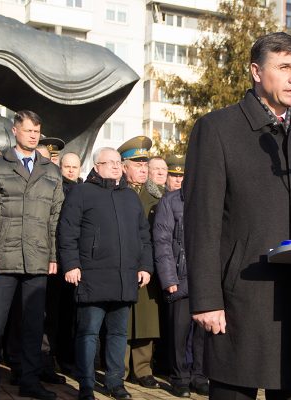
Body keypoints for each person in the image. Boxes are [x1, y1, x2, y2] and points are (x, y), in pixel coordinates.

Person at [184, 32, 291, 399]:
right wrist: (207, 299)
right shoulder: (218, 129)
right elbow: (201, 222)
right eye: (284, 67)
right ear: (256, 72)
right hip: (241, 299)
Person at [0, 110, 64, 400]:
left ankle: (29, 381)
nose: (34, 135)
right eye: (28, 131)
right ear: (15, 131)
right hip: (2, 259)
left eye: (37, 131)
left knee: (34, 327)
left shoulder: (51, 171)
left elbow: (55, 217)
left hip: (37, 259)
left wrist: (52, 255)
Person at [57, 147, 153, 400]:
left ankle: (115, 383)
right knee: (88, 332)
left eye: (117, 162)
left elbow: (144, 236)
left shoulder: (130, 197)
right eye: (107, 162)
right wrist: (71, 265)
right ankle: (86, 384)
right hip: (92, 276)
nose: (114, 166)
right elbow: (67, 231)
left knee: (118, 333)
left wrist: (145, 266)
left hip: (125, 277)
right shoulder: (81, 193)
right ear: (96, 166)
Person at [153, 155, 208, 398]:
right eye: (177, 175)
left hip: (204, 278)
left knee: (202, 333)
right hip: (180, 276)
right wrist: (169, 279)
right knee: (178, 333)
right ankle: (179, 378)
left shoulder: (208, 201)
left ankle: (199, 375)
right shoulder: (169, 201)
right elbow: (162, 242)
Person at [117, 137, 161, 389]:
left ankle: (143, 369)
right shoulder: (116, 191)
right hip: (122, 264)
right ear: (124, 167)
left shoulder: (157, 195)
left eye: (145, 164)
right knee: (121, 315)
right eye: (137, 163)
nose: (143, 168)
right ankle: (119, 367)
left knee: (146, 317)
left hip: (148, 265)